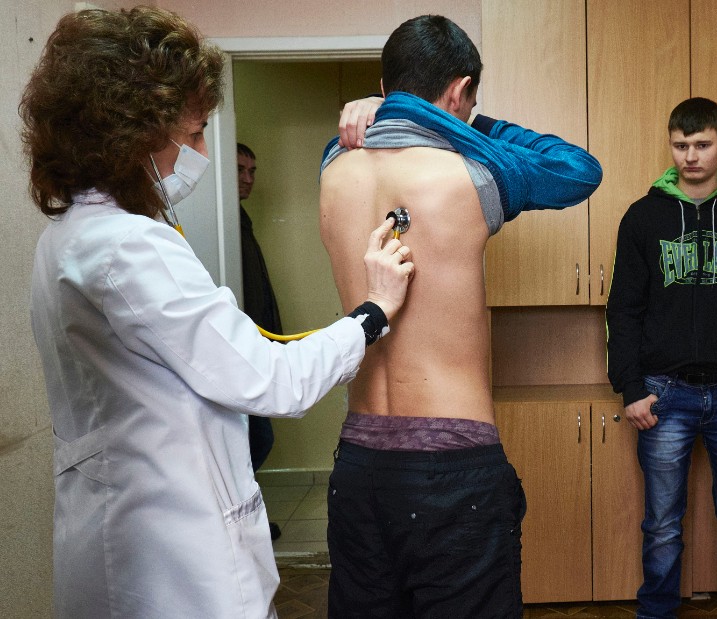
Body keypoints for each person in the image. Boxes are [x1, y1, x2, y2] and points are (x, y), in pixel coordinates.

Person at [20, 7, 413, 618]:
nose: (201, 151)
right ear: (135, 131)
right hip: (174, 562)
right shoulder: (128, 247)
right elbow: (272, 380)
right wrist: (373, 310)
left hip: (119, 534)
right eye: (197, 132)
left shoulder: (67, 238)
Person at [318, 14, 602, 618]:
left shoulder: (332, 167)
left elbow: (378, 130)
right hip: (452, 465)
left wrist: (396, 109)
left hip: (360, 461)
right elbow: (579, 170)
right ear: (459, 90)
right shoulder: (476, 172)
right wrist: (460, 120)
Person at [605, 97, 717, 618]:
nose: (691, 156)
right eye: (681, 145)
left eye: (702, 145)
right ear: (671, 144)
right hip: (663, 394)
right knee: (661, 522)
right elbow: (623, 309)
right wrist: (631, 387)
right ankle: (656, 612)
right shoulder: (642, 217)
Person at [236, 142, 281, 539]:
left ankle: (249, 521)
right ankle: (244, 523)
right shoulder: (226, 224)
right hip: (241, 354)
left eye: (253, 171)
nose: (248, 179)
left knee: (258, 437)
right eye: (239, 170)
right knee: (256, 438)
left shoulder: (241, 221)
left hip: (256, 348)